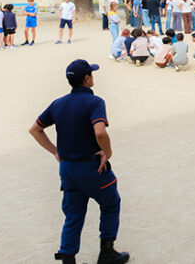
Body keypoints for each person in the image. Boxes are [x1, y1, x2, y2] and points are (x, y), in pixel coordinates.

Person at [28, 59, 129, 264]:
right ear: (86, 78)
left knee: (73, 214)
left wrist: (55, 151)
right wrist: (107, 153)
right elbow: (100, 132)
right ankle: (107, 252)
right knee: (111, 203)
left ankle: (68, 259)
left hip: (67, 168)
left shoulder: (58, 103)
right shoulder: (95, 102)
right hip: (91, 166)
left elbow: (35, 129)